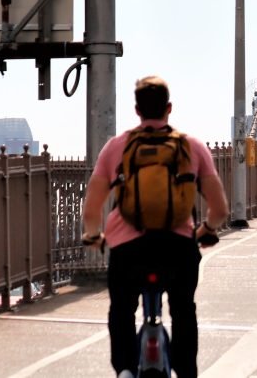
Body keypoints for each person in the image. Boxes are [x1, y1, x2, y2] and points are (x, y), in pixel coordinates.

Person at [81, 76, 229, 378]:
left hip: (128, 250)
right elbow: (220, 209)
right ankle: (186, 371)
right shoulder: (191, 146)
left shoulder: (117, 147)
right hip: (177, 247)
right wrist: (207, 229)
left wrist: (94, 236)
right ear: (169, 108)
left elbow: (92, 208)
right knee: (183, 308)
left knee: (121, 309)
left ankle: (124, 369)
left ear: (137, 110)